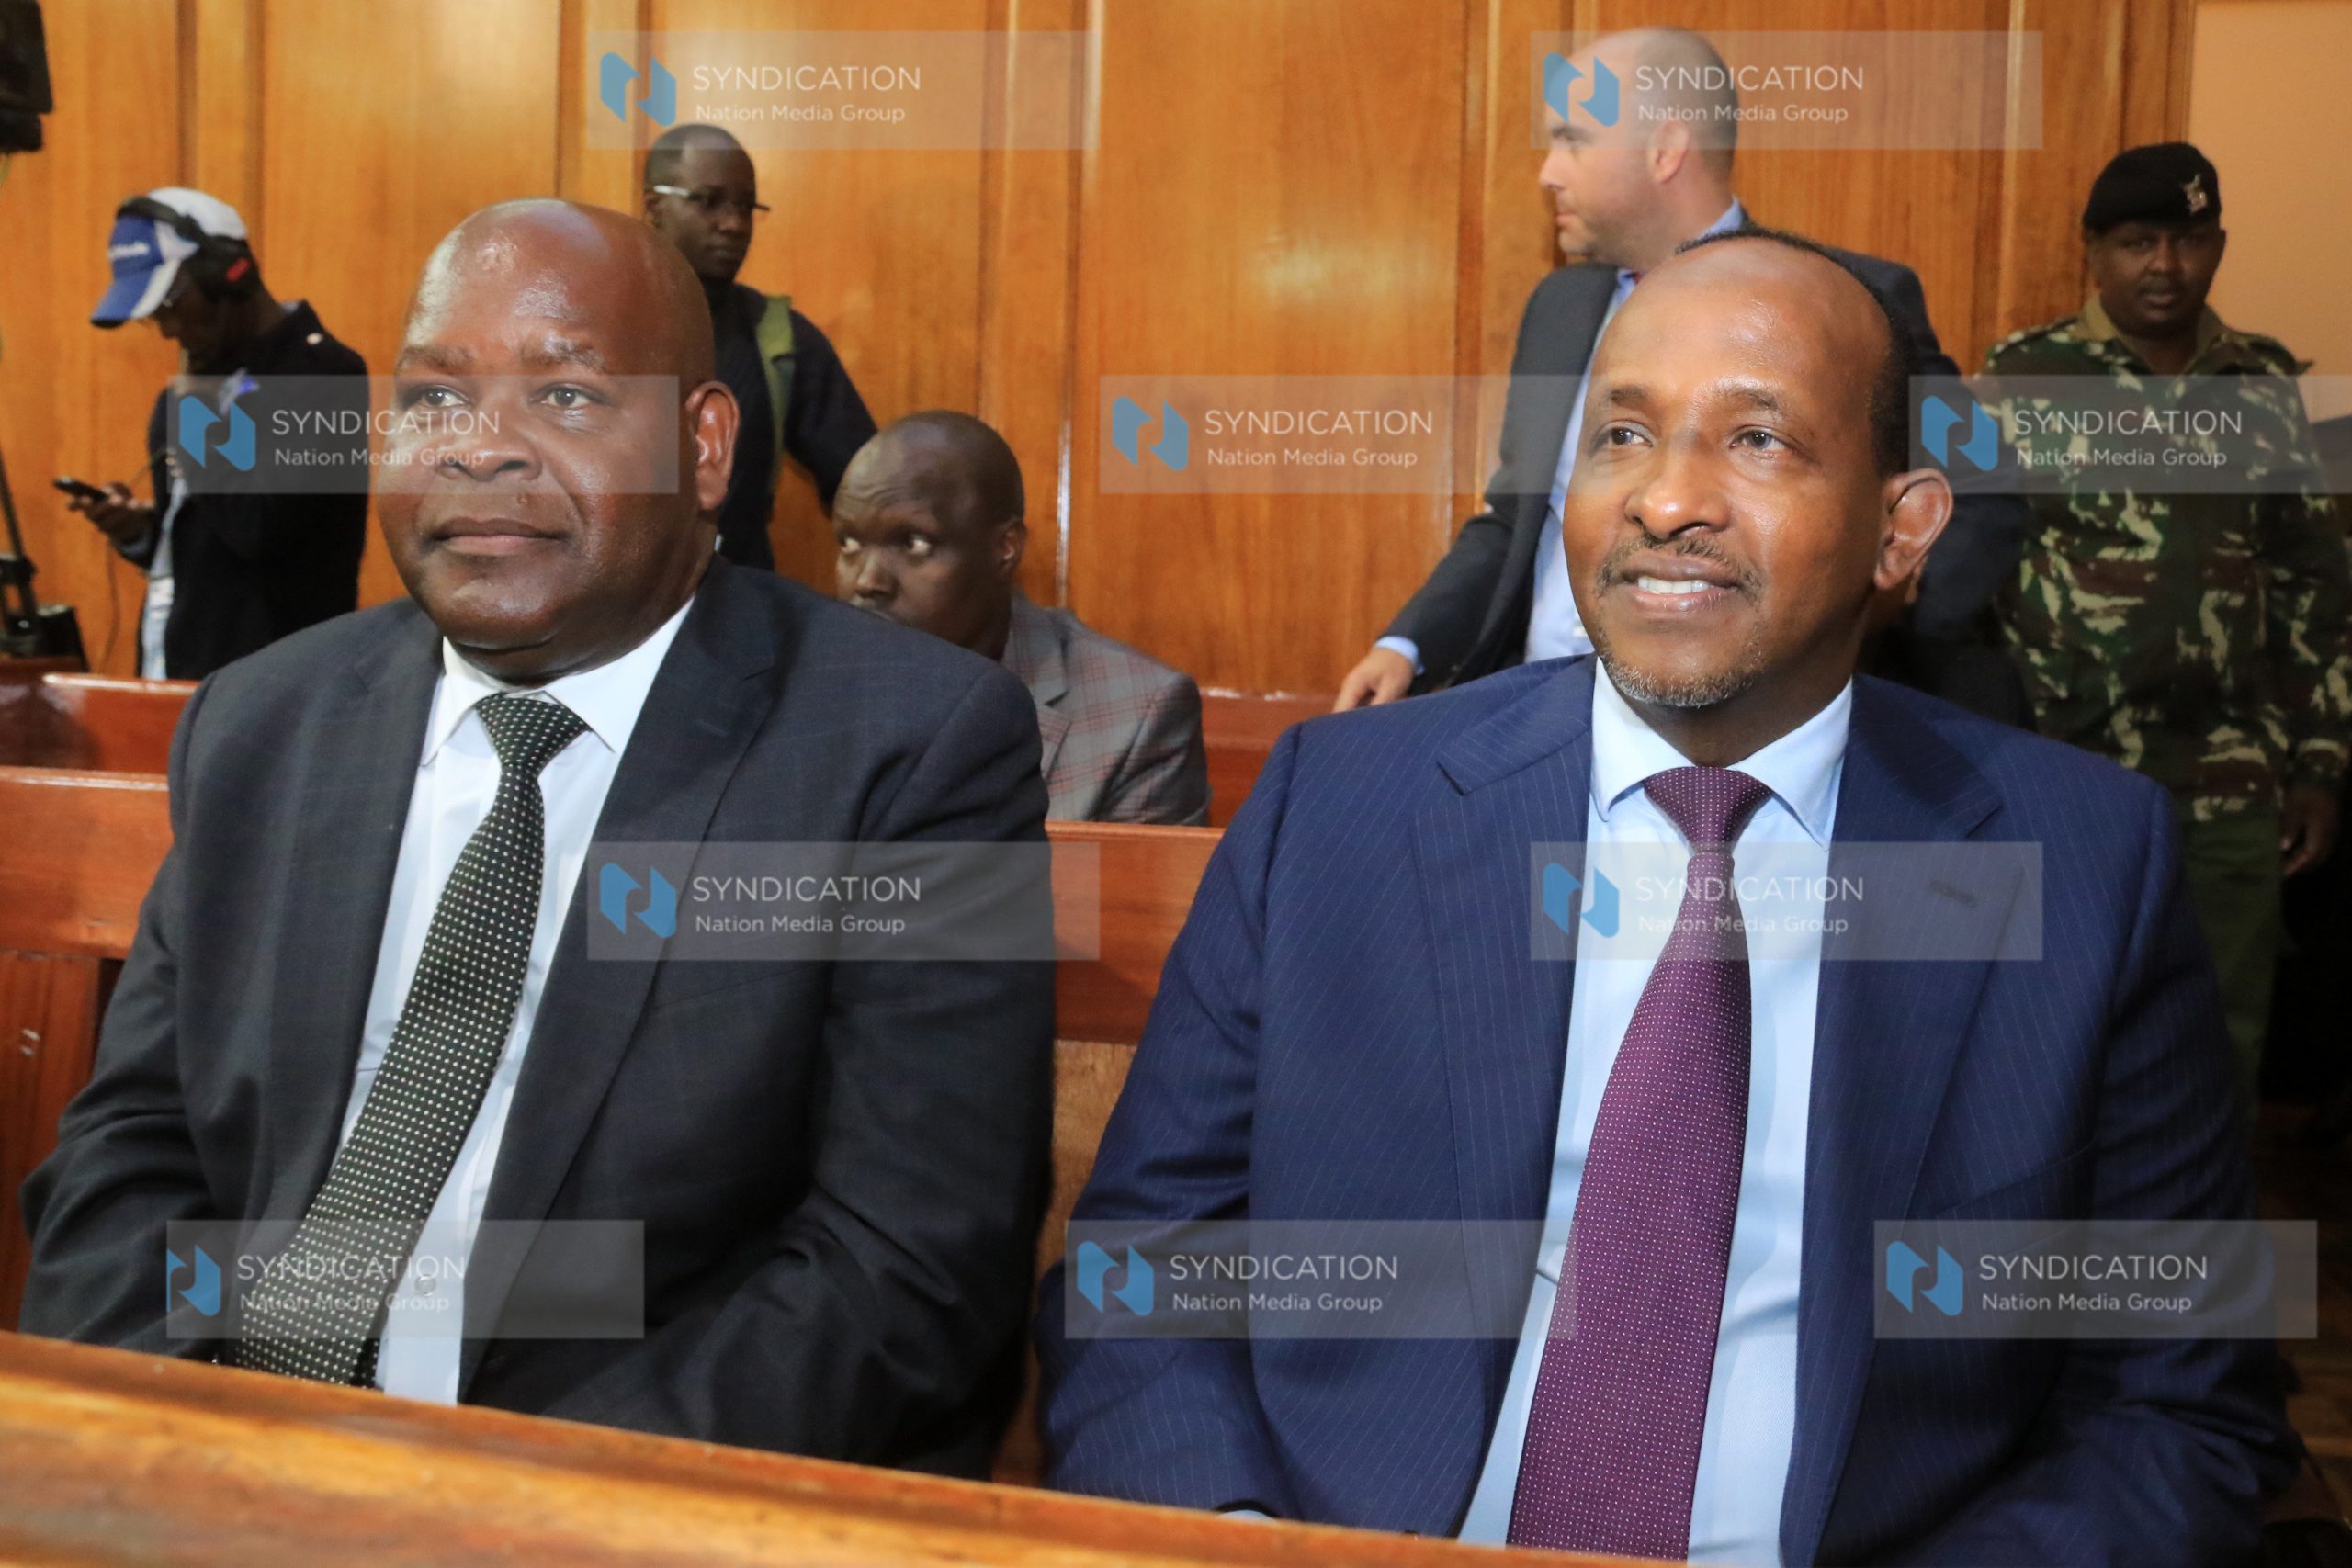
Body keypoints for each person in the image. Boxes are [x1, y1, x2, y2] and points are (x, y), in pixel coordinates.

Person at [1039, 231, 2292, 1562]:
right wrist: (1241, 1540)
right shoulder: (1338, 811)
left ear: (1901, 526)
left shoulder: (2087, 867)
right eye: (1622, 436)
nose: (1665, 500)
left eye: (1757, 442)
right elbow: (1143, 1277)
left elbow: (2183, 1402)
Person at [20, 200, 1054, 1477]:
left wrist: (482, 1515)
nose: (478, 452)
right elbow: (130, 1158)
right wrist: (191, 1453)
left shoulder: (919, 747)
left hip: (620, 1497)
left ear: (705, 448)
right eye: (436, 399)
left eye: (564, 397)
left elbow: (909, 1263)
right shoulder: (261, 722)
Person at [1332, 28, 2027, 718]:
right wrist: (1408, 644)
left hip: (1742, 732)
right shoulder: (1560, 309)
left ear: (1664, 150)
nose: (1548, 171)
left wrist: (1879, 637)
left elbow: (1983, 483)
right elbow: (1517, 516)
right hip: (1540, 714)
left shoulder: (1846, 306)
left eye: (1573, 139)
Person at [1985, 141, 2349, 1117]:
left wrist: (2317, 764)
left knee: (2218, 1053)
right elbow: (1957, 574)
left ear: (2217, 246)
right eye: (2138, 241)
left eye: (2189, 241)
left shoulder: (2262, 384)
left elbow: (2313, 577)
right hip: (2070, 771)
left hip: (2233, 779)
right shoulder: (2024, 377)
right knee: (2053, 1041)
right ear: (2093, 252)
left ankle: (2185, 1266)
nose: (2165, 266)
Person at [837, 411, 1209, 826]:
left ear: (1004, 548)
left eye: (913, 542)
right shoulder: (805, 687)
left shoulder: (1135, 715)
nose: (867, 580)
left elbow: (1120, 890)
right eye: (849, 542)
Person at [69, 186, 368, 679]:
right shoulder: (188, 395)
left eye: (168, 304)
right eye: (153, 317)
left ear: (228, 273)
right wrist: (142, 533)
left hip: (277, 684)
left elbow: (261, 530)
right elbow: (207, 547)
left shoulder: (323, 375)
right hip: (177, 671)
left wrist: (196, 401)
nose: (166, 330)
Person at [642, 123, 876, 571]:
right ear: (655, 206)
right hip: (605, 611)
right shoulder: (593, 321)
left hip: (735, 608)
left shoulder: (780, 339)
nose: (732, 224)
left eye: (745, 206)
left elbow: (871, 485)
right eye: (708, 202)